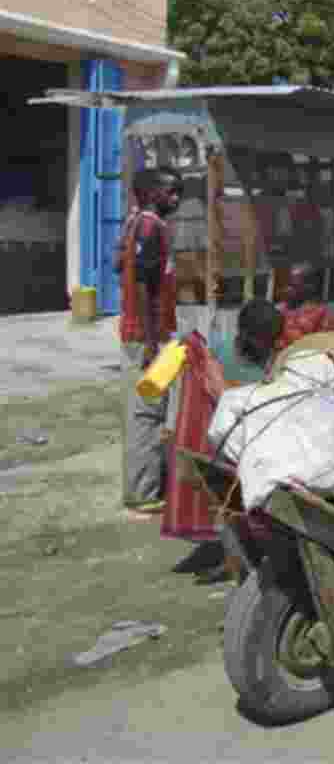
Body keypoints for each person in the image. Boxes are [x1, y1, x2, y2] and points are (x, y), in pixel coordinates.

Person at [114, 166, 182, 516]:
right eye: (171, 192)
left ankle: (149, 483)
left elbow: (117, 265)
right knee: (148, 413)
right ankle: (143, 493)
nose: (177, 199)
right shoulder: (150, 226)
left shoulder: (134, 223)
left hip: (147, 333)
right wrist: (153, 340)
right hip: (148, 337)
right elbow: (141, 282)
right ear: (153, 192)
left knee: (150, 410)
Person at [275, 262, 334, 352]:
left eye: (294, 286)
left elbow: (324, 347)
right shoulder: (279, 310)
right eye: (288, 285)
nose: (288, 289)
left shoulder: (322, 314)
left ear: (309, 286)